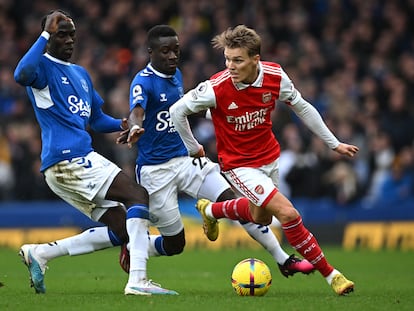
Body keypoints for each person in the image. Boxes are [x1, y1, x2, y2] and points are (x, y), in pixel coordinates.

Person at [170, 25, 359, 295]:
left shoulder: (275, 76)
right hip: (238, 164)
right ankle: (332, 275)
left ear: (255, 59)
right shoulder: (216, 88)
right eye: (227, 59)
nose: (230, 66)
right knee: (288, 214)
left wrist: (334, 143)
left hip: (269, 158)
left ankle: (211, 211)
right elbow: (177, 111)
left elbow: (302, 106)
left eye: (237, 60)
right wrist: (193, 147)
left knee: (262, 218)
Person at [118, 24, 314, 278]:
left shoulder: (176, 75)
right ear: (150, 52)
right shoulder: (142, 81)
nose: (172, 56)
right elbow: (137, 112)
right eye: (165, 51)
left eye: (176, 50)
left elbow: (188, 108)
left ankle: (284, 259)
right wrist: (135, 127)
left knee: (233, 200)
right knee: (174, 244)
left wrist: (221, 113)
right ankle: (134, 247)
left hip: (187, 159)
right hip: (156, 169)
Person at [14, 10, 177, 296]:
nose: (68, 40)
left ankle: (41, 253)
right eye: (60, 34)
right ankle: (138, 281)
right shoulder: (41, 68)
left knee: (122, 230)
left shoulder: (80, 74)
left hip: (67, 165)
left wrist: (123, 125)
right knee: (138, 196)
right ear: (48, 37)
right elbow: (20, 74)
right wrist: (43, 34)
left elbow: (96, 118)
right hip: (69, 158)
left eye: (71, 35)